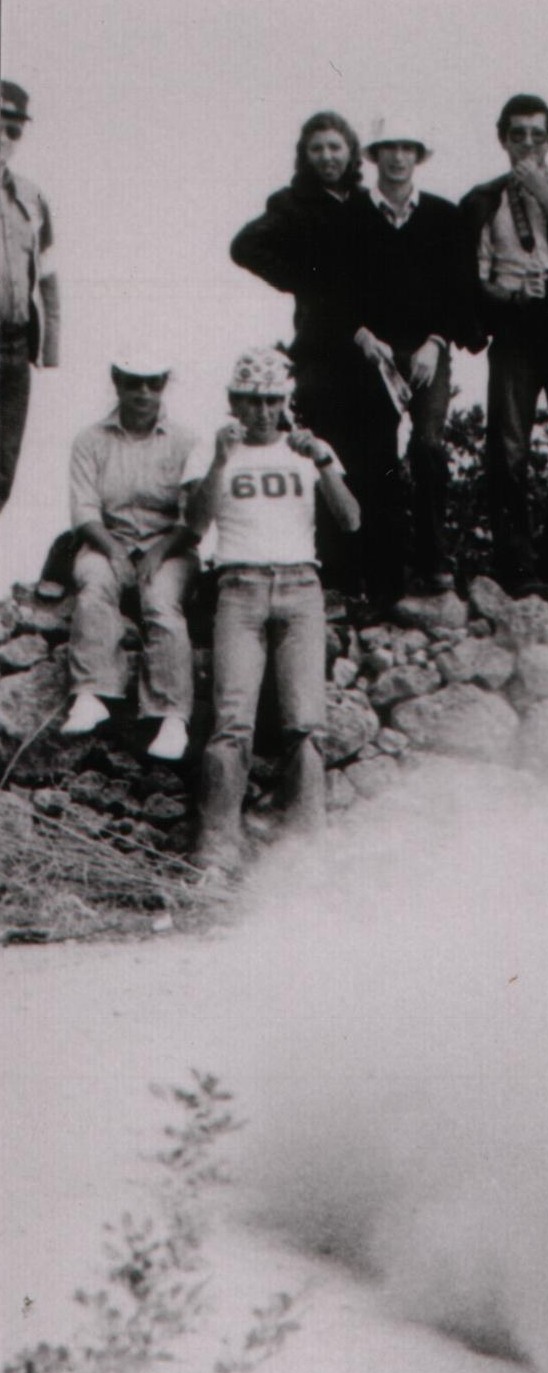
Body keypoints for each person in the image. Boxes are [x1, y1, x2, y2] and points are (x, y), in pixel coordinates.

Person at [184, 349, 360, 874]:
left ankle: (307, 846)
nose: (263, 412)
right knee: (231, 720)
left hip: (301, 585)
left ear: (285, 401)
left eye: (272, 401)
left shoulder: (306, 449)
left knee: (306, 721)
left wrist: (323, 461)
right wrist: (220, 462)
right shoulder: (213, 449)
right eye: (252, 401)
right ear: (234, 401)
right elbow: (194, 525)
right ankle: (217, 846)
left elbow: (351, 519)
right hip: (238, 585)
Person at [458, 94, 548, 615]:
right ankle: (516, 570)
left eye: (536, 135)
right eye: (517, 134)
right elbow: (475, 281)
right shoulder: (483, 201)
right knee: (508, 450)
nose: (526, 144)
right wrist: (514, 295)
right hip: (516, 330)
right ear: (502, 139)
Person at [339, 115, 482, 618]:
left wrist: (436, 341)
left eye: (408, 147)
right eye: (389, 147)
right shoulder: (352, 214)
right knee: (376, 456)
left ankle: (434, 559)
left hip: (426, 350)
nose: (398, 157)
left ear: (418, 156)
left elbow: (459, 288)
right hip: (371, 351)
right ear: (374, 155)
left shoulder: (443, 215)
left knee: (428, 447)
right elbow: (335, 287)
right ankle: (382, 578)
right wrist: (362, 334)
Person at [230, 111, 370, 597]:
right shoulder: (292, 203)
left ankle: (367, 574)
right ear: (305, 156)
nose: (327, 157)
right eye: (317, 149)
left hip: (368, 347)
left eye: (335, 147)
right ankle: (330, 572)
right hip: (320, 345)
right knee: (324, 452)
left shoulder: (365, 202)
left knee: (370, 454)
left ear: (351, 152)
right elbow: (245, 246)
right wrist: (303, 280)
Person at [57, 361, 203, 758]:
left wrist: (159, 552)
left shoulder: (187, 442)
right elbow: (84, 510)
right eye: (134, 383)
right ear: (117, 382)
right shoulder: (90, 440)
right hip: (109, 539)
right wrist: (114, 551)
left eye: (153, 384)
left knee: (162, 601)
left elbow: (194, 520)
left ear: (164, 384)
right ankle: (90, 693)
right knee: (94, 583)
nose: (143, 393)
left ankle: (172, 716)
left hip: (170, 546)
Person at [0, 79, 60, 526]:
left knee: (3, 469)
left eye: (13, 129)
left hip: (14, 348)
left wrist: (50, 347)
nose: (3, 138)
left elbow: (49, 274)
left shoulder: (31, 198)